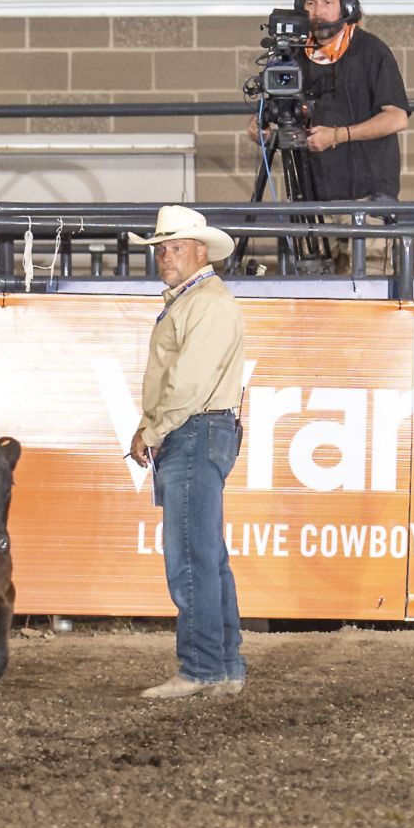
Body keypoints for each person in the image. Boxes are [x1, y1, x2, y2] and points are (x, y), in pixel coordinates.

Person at [126, 206, 246, 699]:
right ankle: (224, 666)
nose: (164, 257)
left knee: (191, 559)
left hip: (193, 430)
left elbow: (186, 382)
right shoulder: (202, 301)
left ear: (201, 252)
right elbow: (183, 381)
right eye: (160, 248)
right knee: (207, 556)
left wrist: (151, 430)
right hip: (200, 429)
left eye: (174, 248)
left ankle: (200, 668)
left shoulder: (205, 303)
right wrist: (152, 426)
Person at [249, 0, 410, 272]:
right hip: (310, 197)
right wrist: (262, 127)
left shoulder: (371, 51)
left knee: (369, 291)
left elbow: (397, 118)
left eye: (326, 2)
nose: (317, 12)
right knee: (317, 295)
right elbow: (267, 116)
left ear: (345, 6)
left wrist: (338, 135)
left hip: (368, 195)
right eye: (310, 4)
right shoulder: (291, 55)